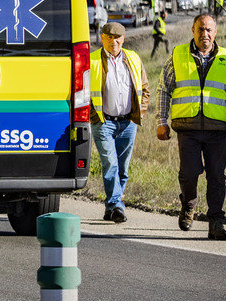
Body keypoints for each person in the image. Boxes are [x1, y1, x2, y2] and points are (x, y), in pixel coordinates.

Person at [156, 13, 226, 240]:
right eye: (200, 29)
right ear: (193, 31)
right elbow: (163, 89)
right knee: (189, 173)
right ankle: (188, 205)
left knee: (217, 176)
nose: (204, 34)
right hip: (188, 128)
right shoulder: (177, 56)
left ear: (216, 32)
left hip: (219, 130)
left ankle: (216, 220)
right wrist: (161, 122)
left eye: (209, 30)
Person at [91, 22, 150, 223]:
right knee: (110, 164)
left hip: (128, 123)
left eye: (117, 38)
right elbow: (81, 91)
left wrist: (138, 113)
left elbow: (145, 88)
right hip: (103, 122)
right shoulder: (92, 60)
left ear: (123, 39)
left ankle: (111, 207)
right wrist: (93, 116)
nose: (113, 41)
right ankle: (117, 205)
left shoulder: (133, 58)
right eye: (109, 37)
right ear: (102, 38)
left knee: (123, 169)